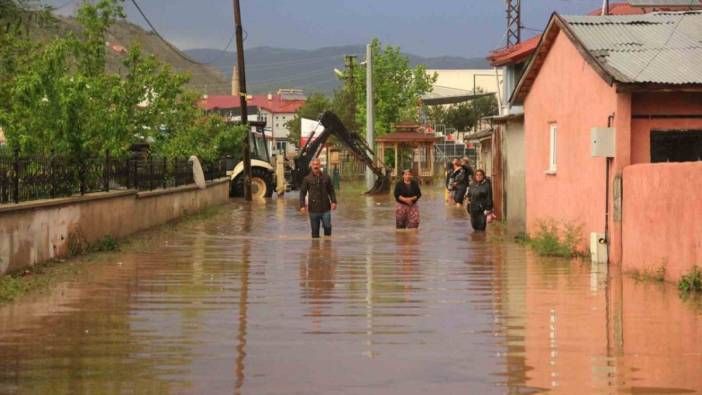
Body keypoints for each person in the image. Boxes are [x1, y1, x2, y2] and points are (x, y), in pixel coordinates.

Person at [299, 159, 337, 238]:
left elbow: (331, 191)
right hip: (313, 210)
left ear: (320, 166)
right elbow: (302, 193)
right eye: (314, 165)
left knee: (327, 228)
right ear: (311, 166)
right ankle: (315, 248)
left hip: (325, 208)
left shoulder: (326, 177)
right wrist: (302, 205)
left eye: (317, 164)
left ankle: (327, 247)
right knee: (315, 234)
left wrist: (334, 202)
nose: (316, 166)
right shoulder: (307, 179)